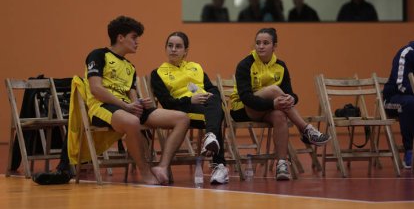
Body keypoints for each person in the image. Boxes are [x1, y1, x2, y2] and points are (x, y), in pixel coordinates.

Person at [32, 16, 189, 185]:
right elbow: (96, 88)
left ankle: (162, 166)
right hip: (103, 106)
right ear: (120, 38)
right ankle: (145, 172)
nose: (138, 42)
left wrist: (140, 103)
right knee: (132, 122)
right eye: (134, 37)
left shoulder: (130, 67)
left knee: (182, 118)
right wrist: (125, 106)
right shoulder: (98, 55)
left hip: (127, 108)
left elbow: (132, 95)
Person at [230, 28, 331, 181]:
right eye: (258, 43)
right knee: (274, 90)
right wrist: (273, 102)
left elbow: (290, 93)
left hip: (269, 109)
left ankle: (282, 164)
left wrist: (291, 99)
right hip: (243, 109)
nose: (260, 46)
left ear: (274, 46)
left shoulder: (281, 66)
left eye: (265, 43)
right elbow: (246, 98)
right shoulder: (245, 64)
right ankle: (305, 129)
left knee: (279, 116)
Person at [150, 31, 229, 184]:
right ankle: (219, 164)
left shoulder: (196, 67)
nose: (173, 49)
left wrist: (209, 96)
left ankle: (211, 137)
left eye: (178, 46)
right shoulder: (158, 73)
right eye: (170, 46)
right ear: (165, 48)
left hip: (205, 107)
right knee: (215, 112)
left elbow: (211, 88)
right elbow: (167, 103)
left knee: (214, 99)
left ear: (185, 51)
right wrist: (190, 100)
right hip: (182, 110)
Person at [383, 41, 414, 169]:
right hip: (394, 98)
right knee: (410, 103)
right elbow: (400, 85)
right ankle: (408, 151)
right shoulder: (406, 53)